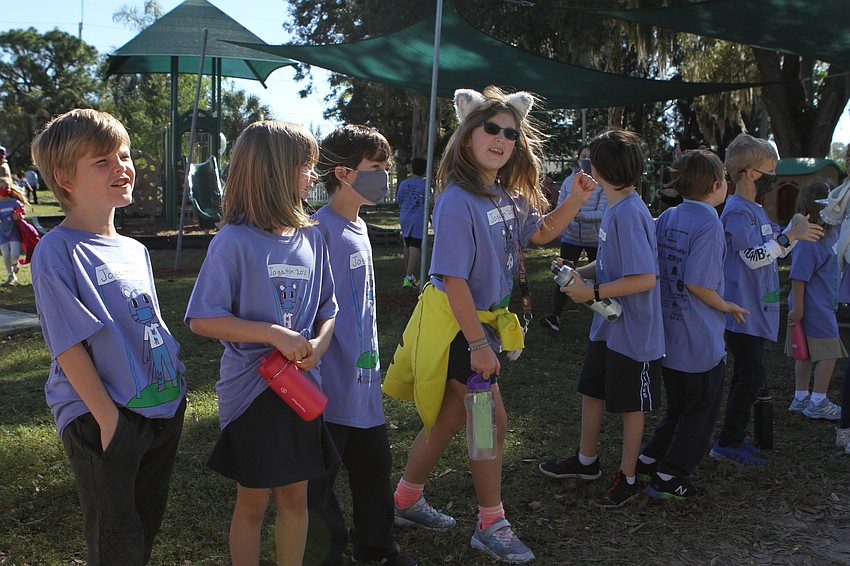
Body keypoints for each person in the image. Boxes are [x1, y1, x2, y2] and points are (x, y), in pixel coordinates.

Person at [382, 86, 596, 563]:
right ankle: (490, 523)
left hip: (477, 326)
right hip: (457, 327)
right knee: (490, 423)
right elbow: (452, 277)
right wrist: (479, 343)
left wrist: (576, 201)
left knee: (449, 419)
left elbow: (538, 234)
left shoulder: (505, 194)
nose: (501, 138)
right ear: (467, 135)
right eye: (491, 129)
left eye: (511, 133)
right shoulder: (457, 200)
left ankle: (404, 499)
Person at [29, 108, 187, 564]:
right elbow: (67, 345)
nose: (122, 166)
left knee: (146, 523)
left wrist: (174, 388)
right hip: (102, 416)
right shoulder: (56, 250)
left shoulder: (135, 250)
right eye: (102, 161)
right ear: (65, 178)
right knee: (115, 539)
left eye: (124, 154)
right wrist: (110, 423)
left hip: (160, 409)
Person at [185, 121, 339, 565]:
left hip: (303, 391)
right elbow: (202, 319)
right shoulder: (232, 241)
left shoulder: (313, 235)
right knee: (252, 503)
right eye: (306, 165)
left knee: (296, 498)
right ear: (273, 171)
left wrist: (320, 345)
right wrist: (273, 334)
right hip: (252, 393)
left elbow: (330, 308)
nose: (314, 175)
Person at [303, 125, 416, 566]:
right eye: (377, 168)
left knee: (374, 471)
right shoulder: (316, 230)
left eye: (387, 168)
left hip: (364, 381)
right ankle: (328, 554)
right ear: (344, 173)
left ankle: (378, 548)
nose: (386, 176)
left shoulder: (361, 226)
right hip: (328, 384)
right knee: (320, 481)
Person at [538, 130, 664, 508]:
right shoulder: (616, 205)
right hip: (607, 327)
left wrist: (590, 293)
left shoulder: (628, 213)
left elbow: (645, 278)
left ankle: (626, 478)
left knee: (631, 405)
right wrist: (581, 273)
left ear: (596, 168)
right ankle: (586, 460)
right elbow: (612, 266)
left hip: (634, 332)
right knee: (592, 390)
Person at [637, 149, 749, 500]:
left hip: (667, 333)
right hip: (699, 337)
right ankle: (669, 476)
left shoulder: (668, 216)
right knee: (700, 411)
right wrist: (727, 305)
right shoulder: (710, 224)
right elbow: (699, 283)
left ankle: (648, 461)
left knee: (679, 407)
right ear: (717, 185)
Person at [710, 133, 823, 466]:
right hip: (741, 312)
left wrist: (795, 231)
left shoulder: (755, 210)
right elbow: (753, 257)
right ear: (751, 173)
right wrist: (790, 234)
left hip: (758, 310)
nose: (776, 175)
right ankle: (727, 443)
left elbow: (774, 249)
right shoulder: (736, 212)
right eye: (771, 168)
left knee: (750, 376)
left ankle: (733, 439)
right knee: (751, 376)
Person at [785, 179, 846, 419]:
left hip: (823, 304)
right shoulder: (810, 240)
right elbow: (798, 277)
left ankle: (801, 398)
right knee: (830, 352)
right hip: (812, 307)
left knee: (807, 353)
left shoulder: (832, 233)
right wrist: (798, 309)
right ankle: (817, 401)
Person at [541, 145, 607, 332]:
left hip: (594, 238)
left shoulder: (601, 185)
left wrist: (579, 217)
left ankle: (604, 315)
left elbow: (602, 213)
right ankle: (555, 316)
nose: (586, 160)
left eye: (590, 158)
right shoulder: (569, 181)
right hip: (571, 237)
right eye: (583, 156)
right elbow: (560, 208)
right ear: (578, 159)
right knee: (564, 275)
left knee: (601, 277)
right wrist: (567, 219)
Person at [397, 157, 427, 289]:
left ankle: (408, 273)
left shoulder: (404, 183)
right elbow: (429, 203)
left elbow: (399, 200)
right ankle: (409, 277)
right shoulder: (425, 186)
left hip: (405, 217)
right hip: (418, 219)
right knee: (415, 246)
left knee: (407, 244)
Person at [0, 175, 26, 284]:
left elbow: (23, 213)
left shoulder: (14, 202)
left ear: (9, 188)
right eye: (0, 187)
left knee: (15, 254)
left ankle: (15, 263)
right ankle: (11, 276)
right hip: (2, 233)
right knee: (5, 255)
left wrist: (20, 216)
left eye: (5, 187)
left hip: (13, 232)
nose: (3, 190)